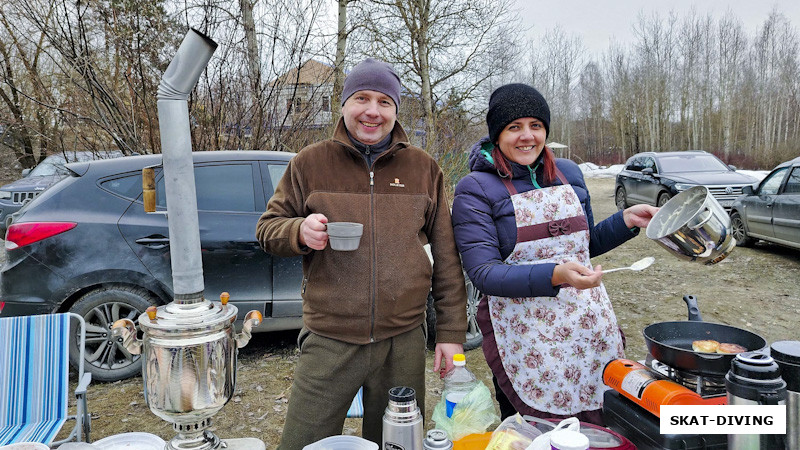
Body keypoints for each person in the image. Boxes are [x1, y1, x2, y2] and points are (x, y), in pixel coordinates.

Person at [256, 58, 467, 449]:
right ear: (343, 105)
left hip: (402, 341)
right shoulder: (310, 163)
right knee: (302, 443)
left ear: (396, 111)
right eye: (362, 98)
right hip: (329, 339)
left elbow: (447, 257)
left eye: (385, 102)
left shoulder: (424, 169)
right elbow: (268, 228)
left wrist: (452, 333)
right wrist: (298, 231)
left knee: (398, 444)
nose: (373, 111)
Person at [450, 83, 658, 425]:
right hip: (523, 332)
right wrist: (556, 275)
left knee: (599, 422)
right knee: (535, 432)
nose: (526, 136)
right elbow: (483, 272)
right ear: (497, 134)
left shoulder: (569, 174)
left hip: (586, 323)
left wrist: (625, 220)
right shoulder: (475, 188)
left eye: (536, 126)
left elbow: (583, 245)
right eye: (513, 127)